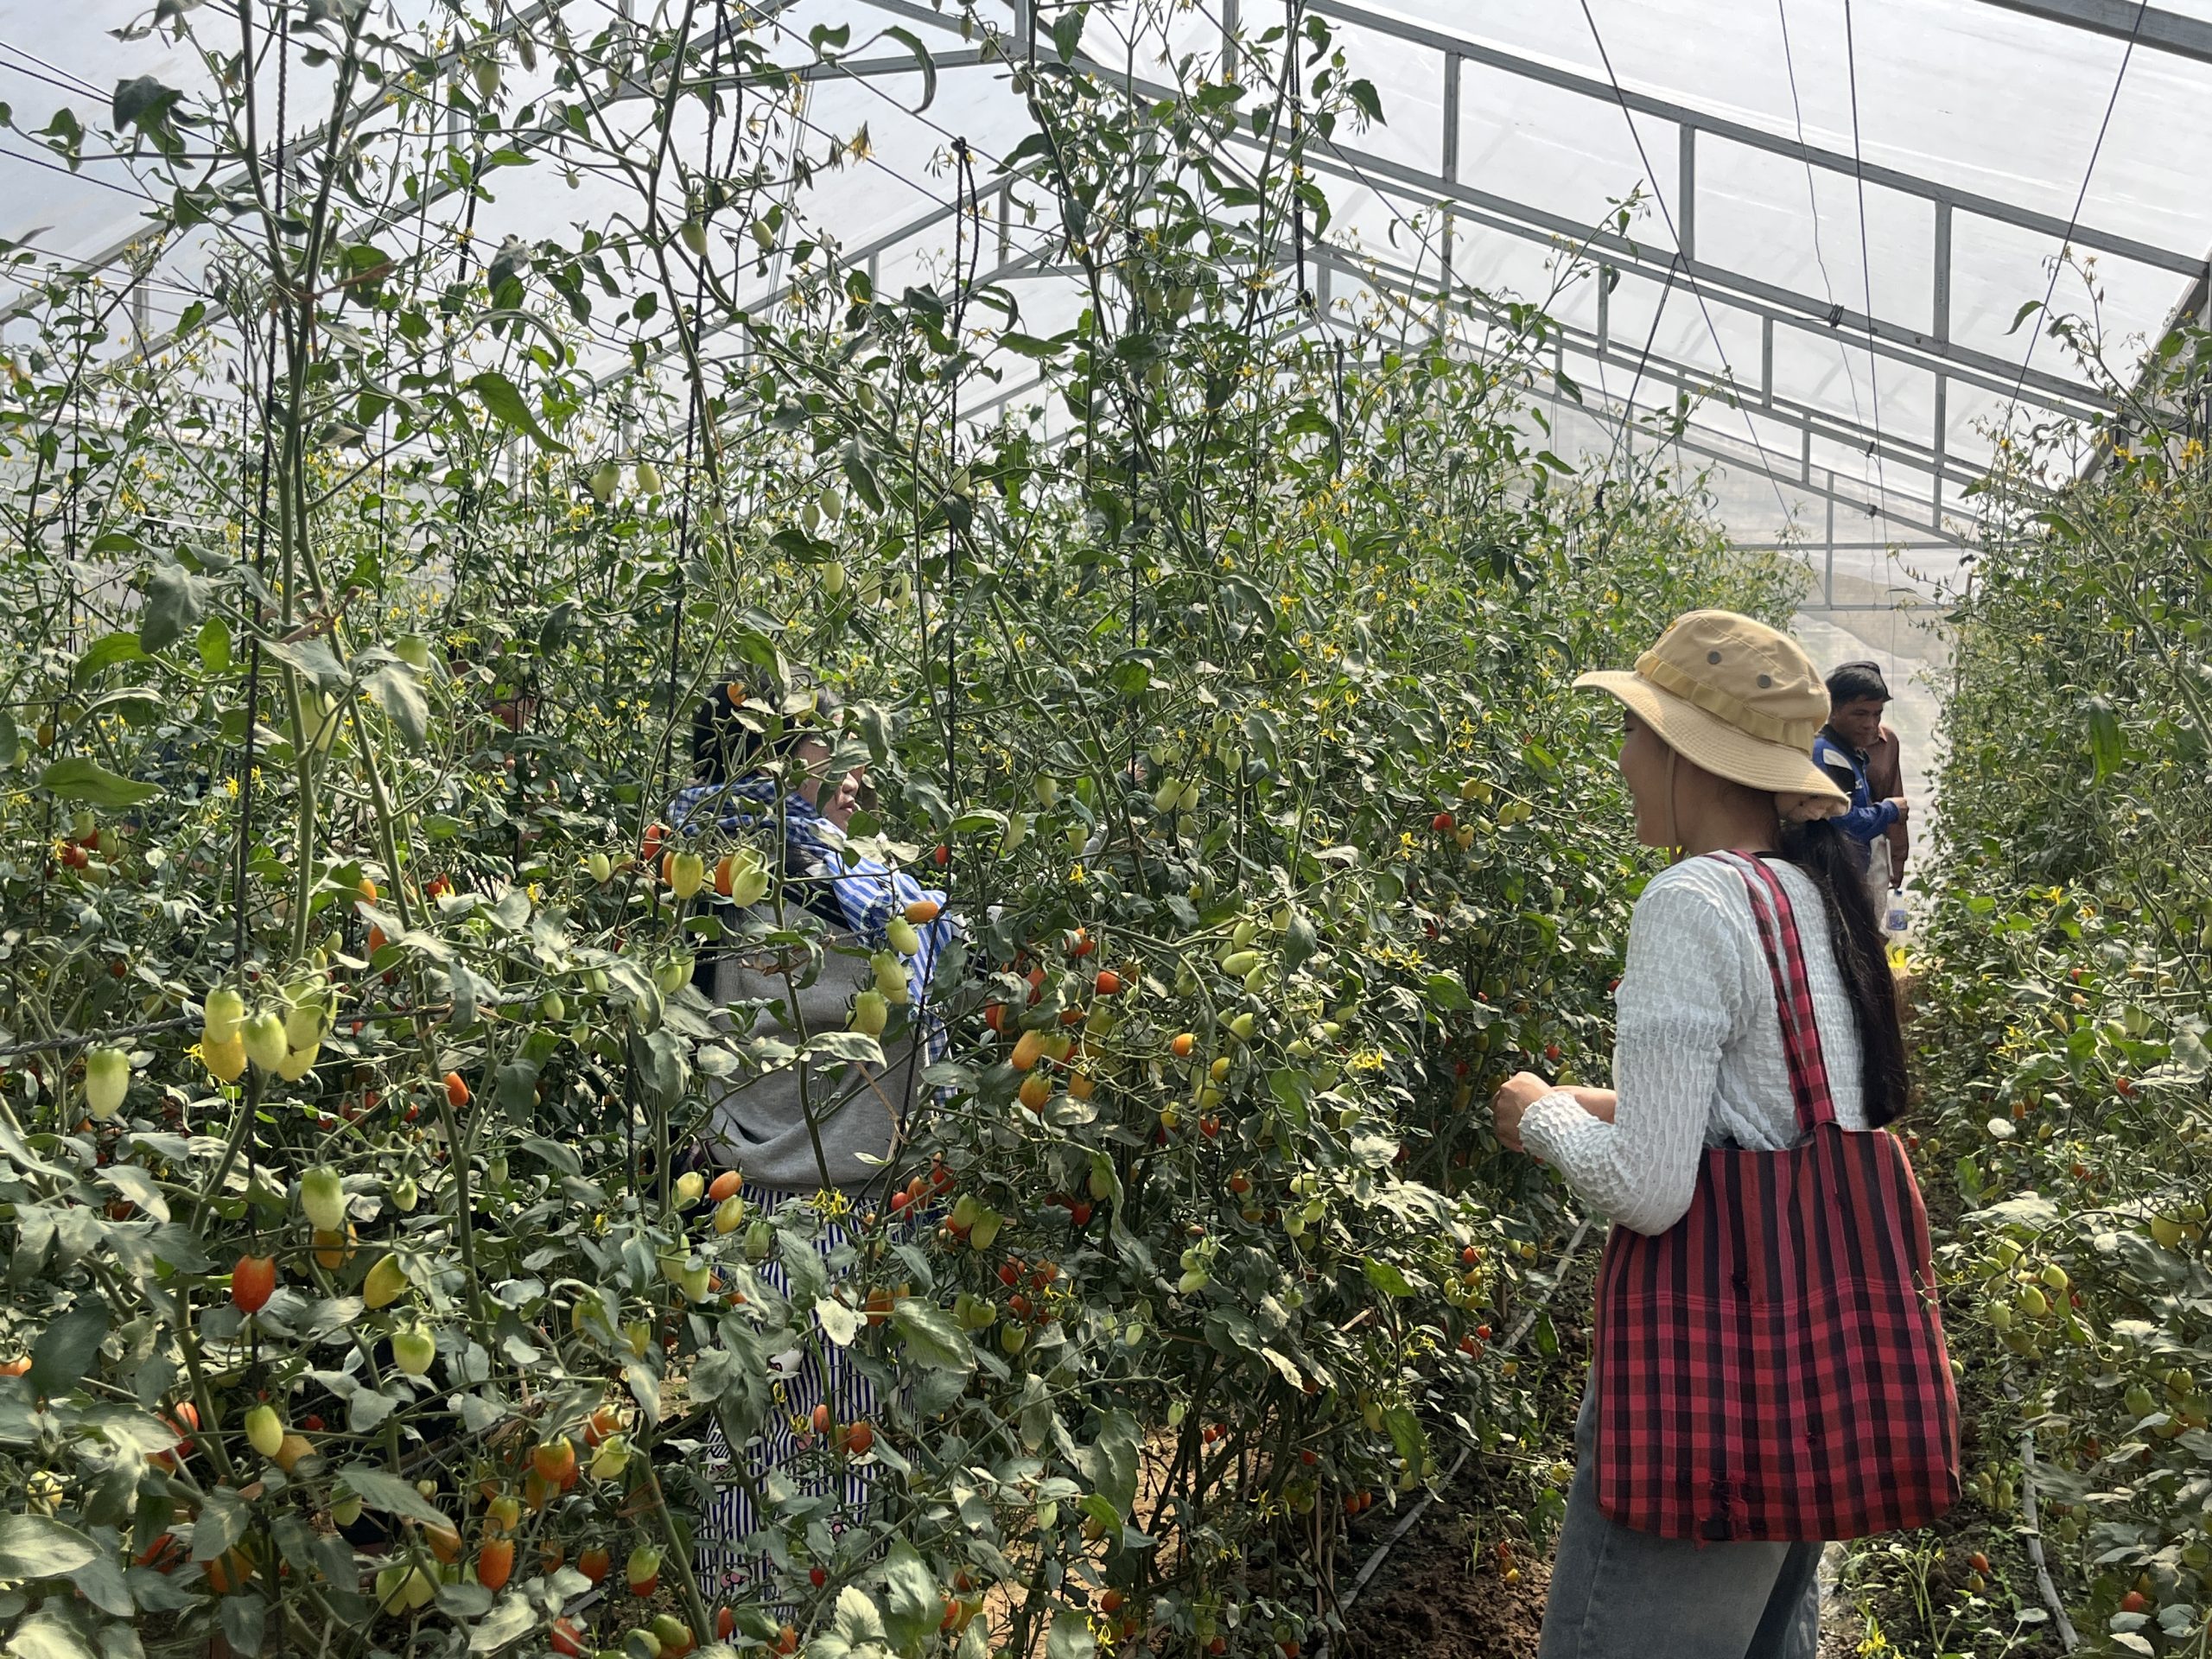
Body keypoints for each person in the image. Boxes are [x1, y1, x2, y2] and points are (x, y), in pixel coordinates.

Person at [1491, 611, 1953, 1659]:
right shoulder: (1808, 898)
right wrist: (1604, 1101)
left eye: (1631, 732)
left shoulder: (1691, 899)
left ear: (1684, 750)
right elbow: (1774, 1122)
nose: (1621, 761)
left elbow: (1651, 1192)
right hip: (1806, 1383)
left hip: (1712, 1400)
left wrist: (1542, 1114)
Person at [665, 674, 960, 1602]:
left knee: (755, 1458)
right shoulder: (818, 908)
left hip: (751, 1214)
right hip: (829, 1218)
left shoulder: (705, 877)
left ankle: (754, 1621)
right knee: (836, 1463)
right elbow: (931, 967)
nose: (855, 776)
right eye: (829, 752)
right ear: (765, 759)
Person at [1811, 661, 1909, 921]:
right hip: (1829, 879)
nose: (1870, 723)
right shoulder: (1827, 754)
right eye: (1860, 714)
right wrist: (1889, 810)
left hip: (1851, 875)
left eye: (1877, 715)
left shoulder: (1851, 752)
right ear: (1833, 710)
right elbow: (1843, 823)